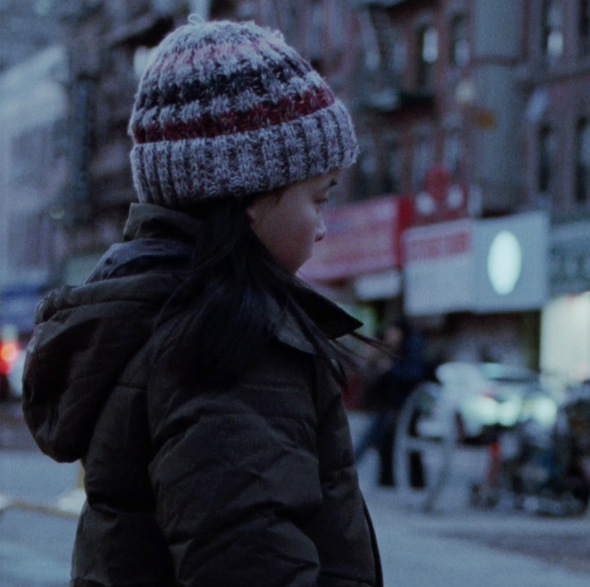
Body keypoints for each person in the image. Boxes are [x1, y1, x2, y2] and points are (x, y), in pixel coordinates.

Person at [21, 18, 382, 587]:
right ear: (249, 198)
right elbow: (249, 560)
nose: (322, 226)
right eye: (319, 197)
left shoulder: (156, 318)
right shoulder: (231, 347)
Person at [353, 317, 425, 486]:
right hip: (390, 403)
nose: (391, 335)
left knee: (376, 436)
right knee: (385, 441)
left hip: (404, 404)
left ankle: (413, 480)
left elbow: (414, 375)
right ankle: (388, 479)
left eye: (394, 332)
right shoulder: (393, 349)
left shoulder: (411, 350)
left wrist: (391, 369)